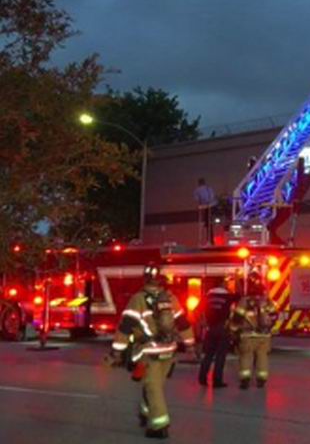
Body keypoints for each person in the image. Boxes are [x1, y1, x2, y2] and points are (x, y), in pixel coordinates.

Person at [108, 263, 194, 440]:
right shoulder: (171, 298)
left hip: (150, 351)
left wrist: (117, 351)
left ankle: (159, 425)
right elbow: (183, 323)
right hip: (169, 351)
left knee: (153, 388)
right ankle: (145, 411)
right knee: (155, 385)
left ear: (145, 279)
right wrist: (190, 344)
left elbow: (126, 327)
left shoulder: (138, 299)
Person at [229, 275, 277, 390]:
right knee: (262, 357)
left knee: (246, 357)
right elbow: (274, 316)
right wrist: (269, 327)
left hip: (247, 336)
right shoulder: (266, 301)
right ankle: (261, 379)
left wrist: (233, 331)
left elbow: (237, 318)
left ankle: (245, 380)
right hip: (264, 336)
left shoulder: (244, 301)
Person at [198, 278, 237, 388]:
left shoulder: (207, 296)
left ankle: (202, 378)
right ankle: (217, 381)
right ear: (221, 284)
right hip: (223, 328)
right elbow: (240, 296)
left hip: (210, 329)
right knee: (220, 356)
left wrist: (203, 323)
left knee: (208, 355)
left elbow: (199, 310)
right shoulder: (228, 296)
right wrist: (237, 279)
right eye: (225, 284)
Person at [193, 178, 216, 245]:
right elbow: (212, 197)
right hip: (211, 206)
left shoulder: (197, 190)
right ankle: (210, 241)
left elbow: (197, 199)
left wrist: (201, 204)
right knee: (209, 224)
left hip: (206, 206)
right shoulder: (209, 188)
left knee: (208, 224)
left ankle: (209, 241)